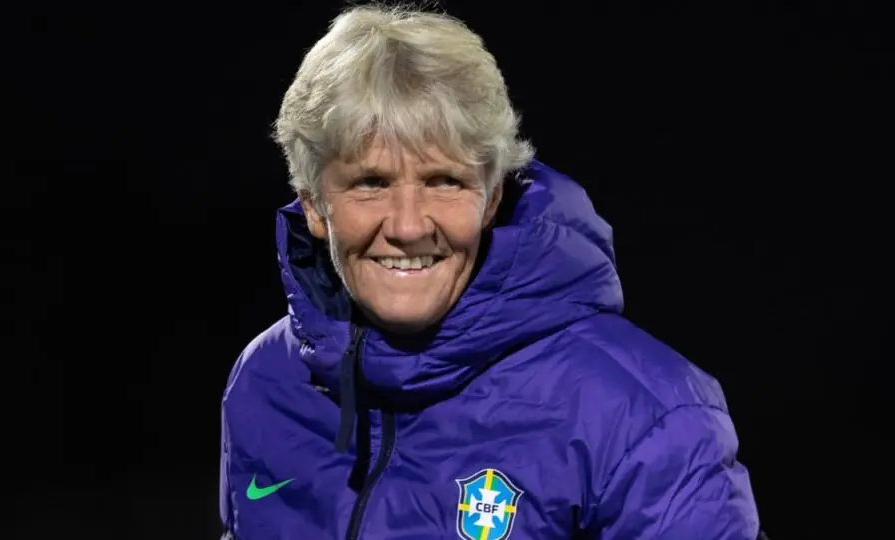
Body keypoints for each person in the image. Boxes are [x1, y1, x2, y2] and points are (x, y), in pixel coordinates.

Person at [219, 4, 764, 539]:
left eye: (444, 181)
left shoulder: (644, 413)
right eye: (371, 183)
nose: (408, 226)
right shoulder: (265, 381)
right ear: (314, 206)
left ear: (492, 197)